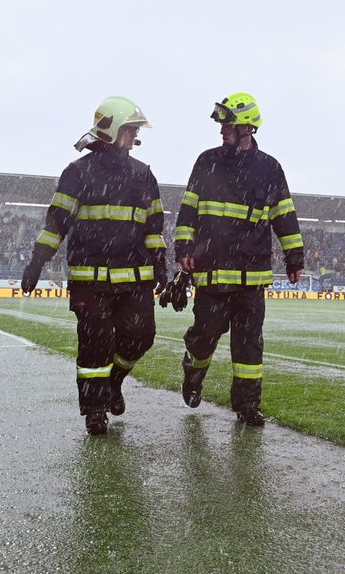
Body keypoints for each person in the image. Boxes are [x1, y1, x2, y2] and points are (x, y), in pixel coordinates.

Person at [21, 96, 168, 436]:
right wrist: (36, 262)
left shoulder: (143, 174)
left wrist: (160, 265)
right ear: (113, 129)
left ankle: (114, 383)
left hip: (135, 280)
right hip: (90, 282)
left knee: (141, 338)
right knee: (94, 346)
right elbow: (55, 223)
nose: (134, 136)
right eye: (130, 129)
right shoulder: (77, 173)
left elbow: (154, 227)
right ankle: (95, 411)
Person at [171, 91, 304, 426]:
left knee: (249, 348)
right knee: (204, 339)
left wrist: (294, 257)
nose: (221, 131)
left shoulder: (270, 169)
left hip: (251, 278)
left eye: (227, 124)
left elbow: (284, 216)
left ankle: (247, 405)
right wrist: (184, 249)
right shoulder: (206, 161)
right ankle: (193, 371)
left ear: (247, 127)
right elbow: (188, 209)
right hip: (212, 275)